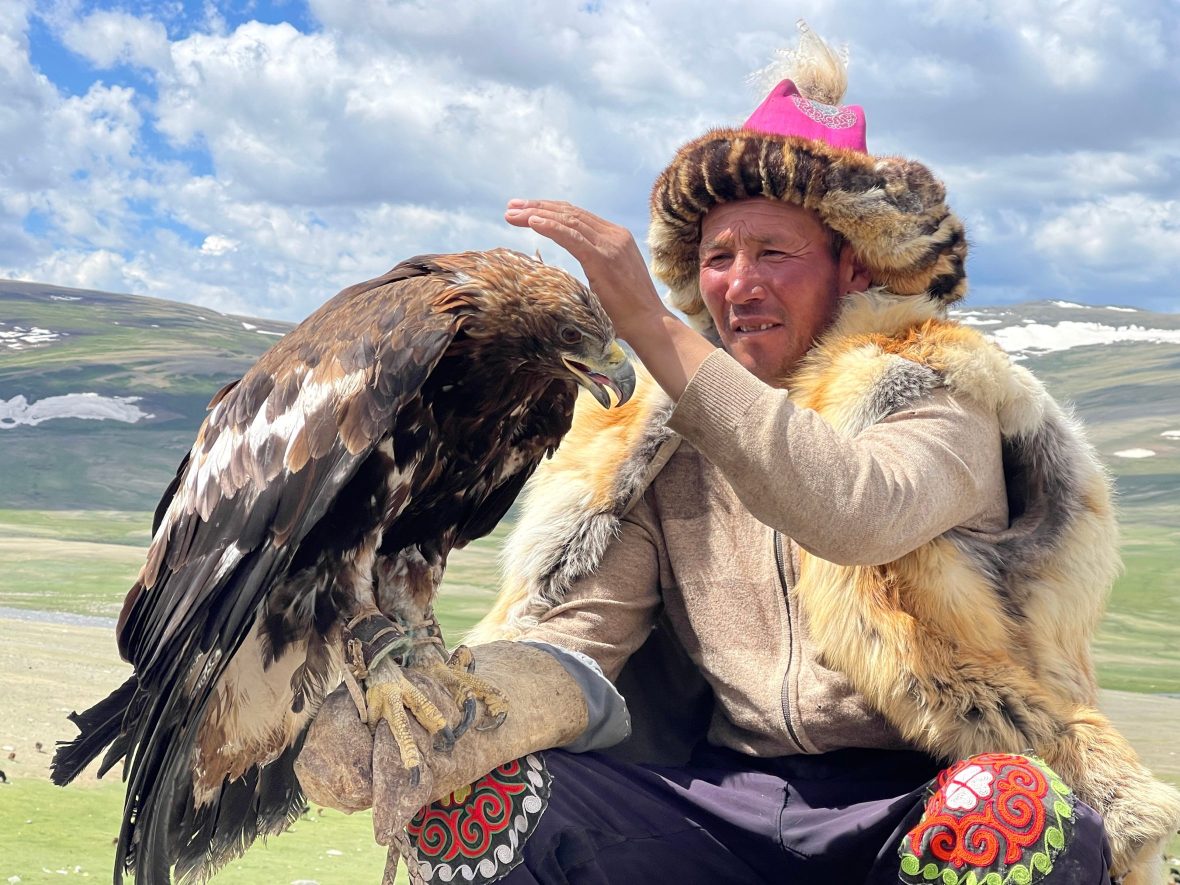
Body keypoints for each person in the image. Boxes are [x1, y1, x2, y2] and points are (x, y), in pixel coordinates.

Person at [297, 25, 1180, 885]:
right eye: (717, 256)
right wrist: (457, 711)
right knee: (480, 810)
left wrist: (646, 325)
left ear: (857, 269)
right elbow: (577, 632)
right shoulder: (654, 439)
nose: (737, 282)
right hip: (726, 800)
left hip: (919, 796)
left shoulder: (939, 393)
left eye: (773, 251)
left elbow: (852, 509)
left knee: (1017, 811)